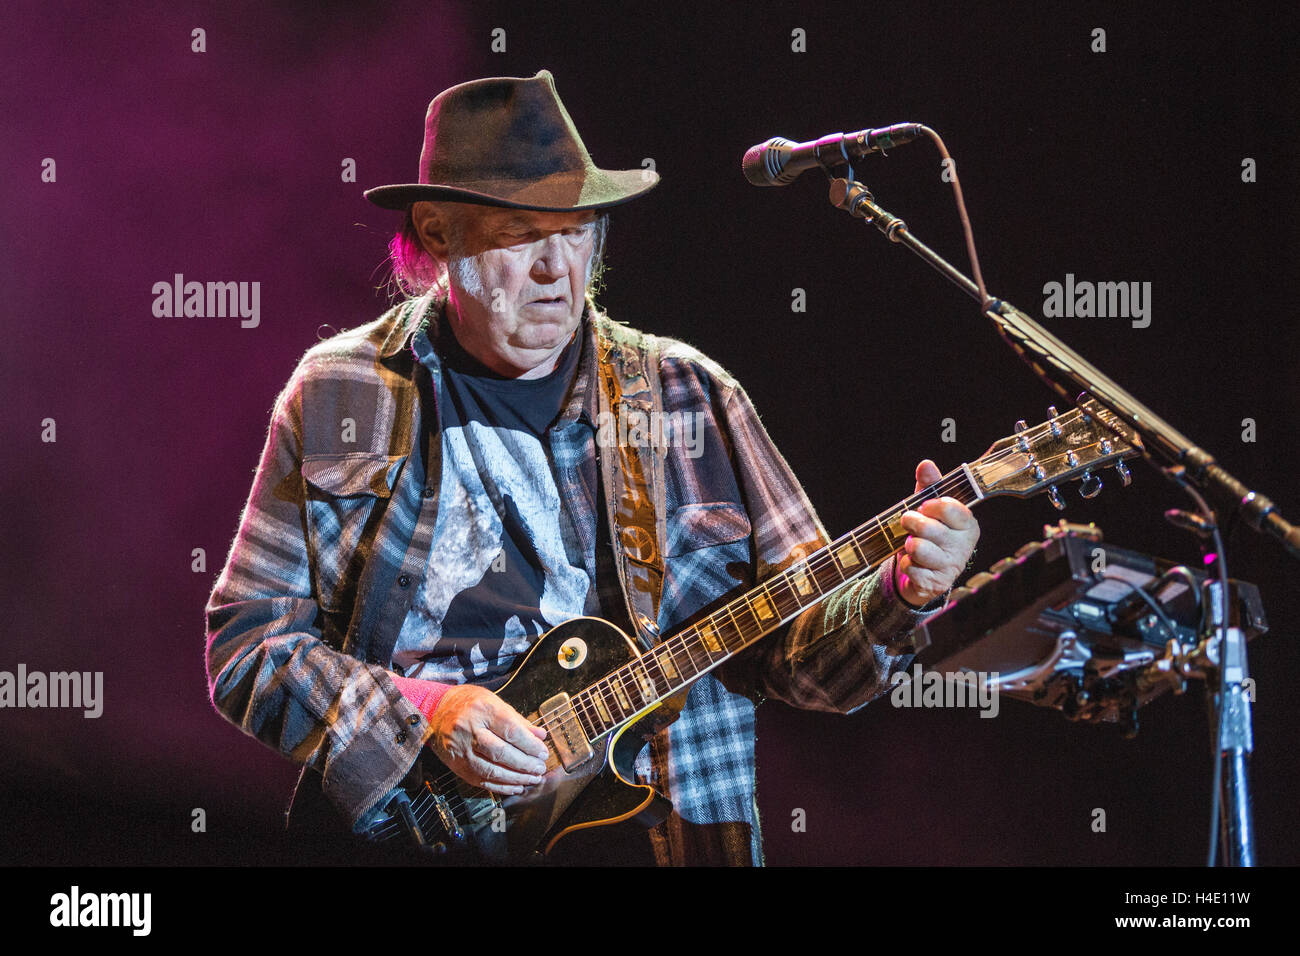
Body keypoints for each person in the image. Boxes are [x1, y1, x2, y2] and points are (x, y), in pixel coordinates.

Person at [204, 70, 979, 866]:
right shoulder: (342, 391)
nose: (557, 268)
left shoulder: (690, 399)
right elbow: (248, 650)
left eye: (577, 231)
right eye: (522, 233)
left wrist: (902, 591)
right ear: (438, 235)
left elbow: (812, 666)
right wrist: (425, 712)